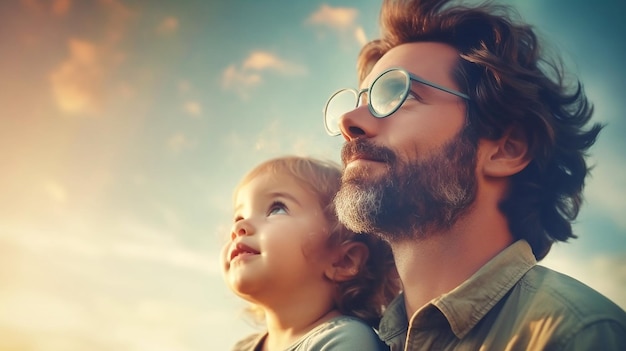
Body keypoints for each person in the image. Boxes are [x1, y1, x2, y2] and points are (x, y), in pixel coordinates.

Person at [322, 0, 626, 350]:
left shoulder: (578, 335)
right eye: (360, 99)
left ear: (507, 148)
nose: (349, 121)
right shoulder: (358, 341)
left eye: (397, 94)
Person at [221, 156, 399, 351]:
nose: (239, 227)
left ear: (343, 261)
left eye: (277, 209)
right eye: (239, 217)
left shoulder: (346, 339)